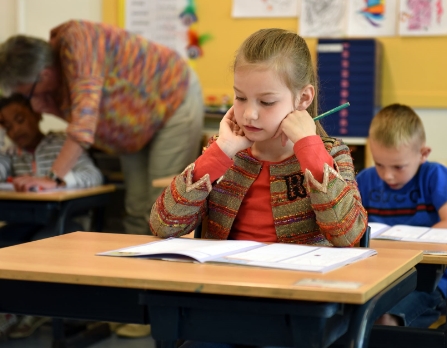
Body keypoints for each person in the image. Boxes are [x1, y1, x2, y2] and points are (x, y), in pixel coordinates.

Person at [0, 20, 204, 337]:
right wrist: (40, 100)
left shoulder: (77, 41)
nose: (27, 99)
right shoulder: (49, 83)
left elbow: (83, 124)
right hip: (130, 127)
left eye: (25, 92)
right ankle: (138, 307)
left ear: (45, 75)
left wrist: (54, 178)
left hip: (172, 103)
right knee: (137, 210)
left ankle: (167, 311)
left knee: (165, 210)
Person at [150, 28, 367, 248]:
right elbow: (164, 225)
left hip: (298, 280)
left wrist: (309, 148)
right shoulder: (225, 153)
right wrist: (221, 150)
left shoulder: (333, 155)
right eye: (241, 97)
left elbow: (347, 235)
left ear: (303, 98)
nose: (249, 114)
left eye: (266, 102)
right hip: (227, 276)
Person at [0, 93, 103, 339]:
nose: (16, 129)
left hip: (63, 221)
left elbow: (94, 176)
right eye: (6, 125)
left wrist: (58, 181)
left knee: (42, 247)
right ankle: (11, 310)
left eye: (20, 119)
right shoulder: (11, 153)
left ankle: (33, 310)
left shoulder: (62, 144)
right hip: (25, 221)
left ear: (36, 116)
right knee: (5, 245)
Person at [357, 103, 447, 327]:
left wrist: (407, 245)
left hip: (429, 281)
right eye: (379, 164)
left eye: (398, 167)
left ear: (423, 154)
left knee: (384, 319)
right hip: (379, 276)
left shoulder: (433, 176)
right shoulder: (366, 179)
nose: (388, 175)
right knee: (348, 315)